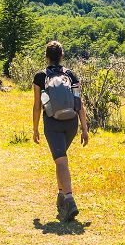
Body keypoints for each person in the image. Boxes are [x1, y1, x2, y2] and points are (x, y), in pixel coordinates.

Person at [33, 40, 89, 222]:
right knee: (60, 159)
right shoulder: (71, 75)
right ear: (62, 55)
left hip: (53, 124)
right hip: (71, 123)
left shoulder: (40, 77)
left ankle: (70, 200)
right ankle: (60, 194)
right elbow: (79, 103)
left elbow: (37, 106)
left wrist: (35, 128)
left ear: (46, 56)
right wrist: (84, 128)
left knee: (61, 161)